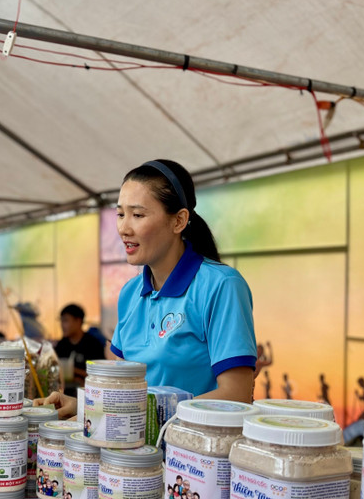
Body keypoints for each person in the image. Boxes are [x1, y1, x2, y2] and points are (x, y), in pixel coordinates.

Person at [37, 159, 256, 416]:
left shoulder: (221, 286)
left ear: (179, 221)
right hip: (134, 441)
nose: (123, 228)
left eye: (138, 215)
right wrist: (83, 407)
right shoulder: (130, 294)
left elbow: (236, 394)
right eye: (120, 214)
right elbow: (123, 389)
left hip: (192, 442)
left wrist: (148, 417)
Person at [54, 303, 105, 395]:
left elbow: (101, 374)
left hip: (89, 392)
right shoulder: (62, 345)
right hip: (63, 392)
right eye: (61, 321)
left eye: (65, 321)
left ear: (78, 321)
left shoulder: (93, 345)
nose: (62, 325)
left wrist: (73, 370)